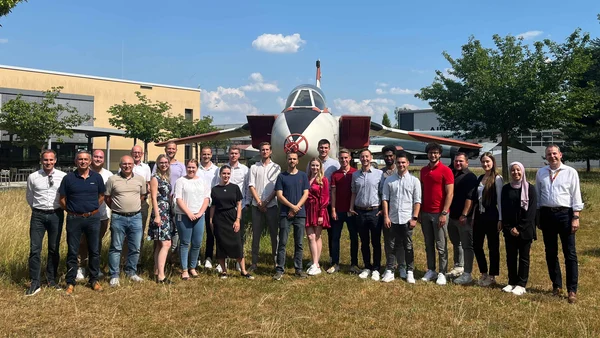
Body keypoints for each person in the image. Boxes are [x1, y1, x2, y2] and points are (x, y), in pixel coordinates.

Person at [536, 145, 583, 304]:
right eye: (549, 154)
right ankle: (556, 285)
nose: (552, 156)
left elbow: (576, 195)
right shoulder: (541, 173)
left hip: (565, 214)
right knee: (550, 252)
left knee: (569, 253)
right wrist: (538, 215)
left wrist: (576, 216)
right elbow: (538, 195)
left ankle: (572, 290)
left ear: (560, 155)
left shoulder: (570, 172)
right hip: (547, 214)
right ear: (546, 157)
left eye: (554, 153)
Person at [59, 150, 106, 295]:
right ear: (76, 161)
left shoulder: (97, 177)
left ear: (90, 161)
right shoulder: (68, 178)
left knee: (94, 250)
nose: (83, 162)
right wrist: (74, 211)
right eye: (80, 159)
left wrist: (90, 210)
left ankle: (94, 280)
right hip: (74, 219)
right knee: (73, 251)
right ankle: (70, 282)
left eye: (86, 159)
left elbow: (101, 196)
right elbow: (62, 200)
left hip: (92, 218)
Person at [25, 149, 67, 296]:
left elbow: (65, 195)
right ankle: (35, 282)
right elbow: (30, 197)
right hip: (38, 216)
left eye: (51, 160)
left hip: (56, 214)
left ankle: (51, 280)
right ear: (41, 161)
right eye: (45, 160)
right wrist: (39, 209)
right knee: (35, 249)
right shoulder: (33, 177)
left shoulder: (63, 176)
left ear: (55, 160)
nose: (48, 162)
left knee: (53, 249)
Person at [105, 155, 147, 287]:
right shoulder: (112, 179)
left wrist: (132, 206)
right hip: (118, 217)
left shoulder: (140, 179)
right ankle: (114, 275)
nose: (127, 166)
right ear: (120, 165)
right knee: (116, 247)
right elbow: (107, 197)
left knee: (135, 247)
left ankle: (131, 272)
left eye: (129, 164)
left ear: (133, 165)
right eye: (124, 164)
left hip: (136, 217)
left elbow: (142, 195)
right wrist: (118, 207)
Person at [381, 151, 421, 284]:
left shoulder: (414, 181)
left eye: (403, 162)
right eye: (398, 162)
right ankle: (390, 270)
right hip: (392, 218)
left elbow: (417, 201)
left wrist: (414, 218)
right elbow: (385, 199)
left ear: (408, 163)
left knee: (408, 246)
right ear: (396, 163)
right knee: (390, 245)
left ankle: (409, 271)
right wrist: (386, 217)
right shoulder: (389, 180)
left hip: (407, 219)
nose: (401, 165)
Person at [210, 165, 254, 279]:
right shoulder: (215, 189)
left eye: (228, 174)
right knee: (220, 245)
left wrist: (238, 220)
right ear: (220, 174)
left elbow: (239, 204)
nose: (226, 176)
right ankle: (224, 271)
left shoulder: (234, 188)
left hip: (232, 217)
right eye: (224, 173)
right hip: (219, 219)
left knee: (237, 244)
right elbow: (213, 206)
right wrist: (211, 220)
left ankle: (243, 271)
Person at [420, 142, 454, 285]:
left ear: (440, 154)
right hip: (426, 212)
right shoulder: (423, 171)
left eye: (435, 153)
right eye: (430, 153)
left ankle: (442, 272)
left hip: (440, 213)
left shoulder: (446, 170)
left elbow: (450, 193)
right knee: (428, 244)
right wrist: (420, 211)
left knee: (441, 245)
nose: (433, 155)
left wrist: (444, 212)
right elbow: (421, 191)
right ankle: (431, 270)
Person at [501, 162, 537, 296]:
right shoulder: (506, 189)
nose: (515, 173)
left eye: (518, 170)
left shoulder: (530, 189)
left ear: (522, 171)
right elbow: (504, 209)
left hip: (525, 230)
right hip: (509, 229)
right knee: (510, 256)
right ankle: (511, 281)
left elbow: (531, 212)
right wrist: (509, 228)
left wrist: (519, 228)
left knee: (523, 257)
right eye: (513, 170)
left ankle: (521, 284)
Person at [76, 149, 112, 281]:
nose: (98, 159)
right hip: (83, 215)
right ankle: (81, 267)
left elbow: (109, 195)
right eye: (96, 157)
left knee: (96, 242)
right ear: (91, 159)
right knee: (82, 242)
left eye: (100, 157)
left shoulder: (108, 175)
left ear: (104, 159)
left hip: (102, 215)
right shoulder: (84, 172)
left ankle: (94, 267)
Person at [468, 152, 503, 287]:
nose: (485, 164)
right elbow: (476, 200)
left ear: (493, 162)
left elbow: (499, 200)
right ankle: (484, 272)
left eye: (488, 161)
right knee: (477, 245)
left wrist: (500, 219)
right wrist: (472, 216)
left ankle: (492, 275)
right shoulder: (480, 177)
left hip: (492, 215)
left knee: (493, 246)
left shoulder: (497, 179)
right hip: (479, 216)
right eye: (483, 162)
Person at [273, 152, 310, 280]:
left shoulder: (303, 176)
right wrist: (291, 207)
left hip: (300, 214)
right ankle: (279, 269)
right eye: (290, 159)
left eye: (294, 159)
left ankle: (298, 269)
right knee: (282, 242)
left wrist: (296, 208)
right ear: (286, 160)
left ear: (297, 161)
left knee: (299, 243)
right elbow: (279, 195)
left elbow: (305, 194)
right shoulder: (281, 176)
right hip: (285, 214)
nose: (292, 161)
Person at [349, 149, 384, 281]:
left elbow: (383, 194)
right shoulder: (355, 175)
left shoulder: (379, 174)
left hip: (375, 211)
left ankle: (376, 268)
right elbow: (353, 192)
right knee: (364, 241)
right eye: (362, 157)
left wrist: (382, 210)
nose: (364, 159)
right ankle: (367, 266)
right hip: (360, 211)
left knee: (375, 241)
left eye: (367, 156)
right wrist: (351, 207)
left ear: (371, 157)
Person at [174, 159, 210, 280]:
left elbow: (206, 198)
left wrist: (200, 213)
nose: (191, 170)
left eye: (193, 167)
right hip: (184, 215)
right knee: (185, 243)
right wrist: (188, 213)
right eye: (189, 167)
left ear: (197, 168)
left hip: (199, 216)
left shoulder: (202, 182)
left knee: (197, 243)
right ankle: (184, 270)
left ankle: (192, 267)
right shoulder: (180, 181)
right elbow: (178, 199)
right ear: (186, 168)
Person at [248, 142, 281, 271]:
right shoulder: (254, 167)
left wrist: (266, 202)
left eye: (267, 149)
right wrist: (259, 202)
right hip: (256, 206)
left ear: (271, 151)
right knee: (256, 234)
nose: (265, 152)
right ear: (259, 151)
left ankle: (276, 262)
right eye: (262, 150)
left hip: (271, 205)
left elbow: (277, 188)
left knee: (274, 234)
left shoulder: (276, 168)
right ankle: (254, 263)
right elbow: (251, 185)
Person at [449, 153, 479, 284]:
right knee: (456, 243)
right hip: (451, 216)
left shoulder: (470, 177)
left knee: (467, 245)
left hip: (463, 218)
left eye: (461, 161)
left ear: (467, 162)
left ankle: (467, 273)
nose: (458, 163)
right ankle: (458, 267)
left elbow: (470, 197)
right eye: (456, 161)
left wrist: (464, 214)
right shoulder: (451, 173)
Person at [380, 145, 408, 279]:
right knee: (389, 241)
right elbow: (381, 194)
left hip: (402, 213)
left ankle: (402, 265)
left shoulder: (401, 170)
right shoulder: (381, 173)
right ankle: (390, 266)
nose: (389, 158)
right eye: (386, 156)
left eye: (391, 156)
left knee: (401, 241)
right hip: (387, 213)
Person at [329, 148, 359, 274]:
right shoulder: (335, 174)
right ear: (339, 159)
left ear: (350, 158)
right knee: (335, 237)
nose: (344, 160)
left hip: (352, 211)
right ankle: (335, 263)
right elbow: (333, 193)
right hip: (339, 210)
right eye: (341, 158)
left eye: (346, 158)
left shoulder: (355, 173)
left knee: (354, 237)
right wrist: (333, 209)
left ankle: (354, 264)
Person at [149, 154, 173, 284]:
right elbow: (153, 197)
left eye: (166, 162)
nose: (164, 164)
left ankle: (157, 271)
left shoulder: (166, 178)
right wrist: (157, 216)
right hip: (160, 212)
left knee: (159, 243)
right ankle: (162, 276)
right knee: (166, 243)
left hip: (166, 211)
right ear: (157, 164)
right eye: (161, 162)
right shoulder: (155, 178)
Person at [226, 145, 250, 271]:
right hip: (226, 208)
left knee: (239, 236)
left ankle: (238, 260)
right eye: (231, 153)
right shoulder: (224, 169)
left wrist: (246, 203)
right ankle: (225, 260)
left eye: (236, 153)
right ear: (228, 154)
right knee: (226, 234)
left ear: (239, 155)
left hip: (240, 207)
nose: (233, 155)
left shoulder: (245, 169)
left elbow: (247, 188)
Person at [305, 157, 330, 276]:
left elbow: (325, 198)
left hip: (319, 209)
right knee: (310, 236)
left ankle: (316, 264)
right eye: (313, 165)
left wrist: (321, 214)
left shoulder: (323, 180)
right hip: (308, 209)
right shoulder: (306, 178)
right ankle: (315, 262)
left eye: (317, 166)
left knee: (317, 236)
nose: (315, 168)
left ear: (320, 167)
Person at [198, 146, 219, 270]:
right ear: (201, 155)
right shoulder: (196, 169)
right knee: (198, 233)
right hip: (198, 205)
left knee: (211, 232)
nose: (206, 156)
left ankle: (209, 257)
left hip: (211, 205)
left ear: (211, 155)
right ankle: (197, 257)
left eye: (208, 154)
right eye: (204, 154)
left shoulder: (216, 170)